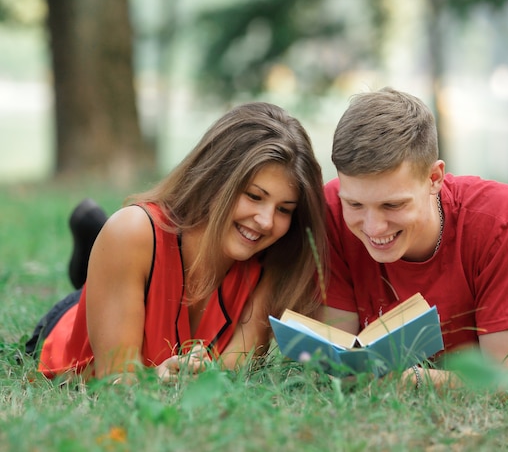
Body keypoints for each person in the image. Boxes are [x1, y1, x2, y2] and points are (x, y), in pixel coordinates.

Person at [26, 102, 328, 384]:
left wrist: (200, 377)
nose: (266, 221)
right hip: (70, 332)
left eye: (284, 209)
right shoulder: (132, 232)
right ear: (216, 180)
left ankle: (94, 248)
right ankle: (96, 251)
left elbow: (234, 377)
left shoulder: (272, 260)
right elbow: (116, 380)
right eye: (254, 196)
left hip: (134, 265)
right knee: (122, 242)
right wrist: (156, 379)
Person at [319, 87, 508, 390]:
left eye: (392, 205)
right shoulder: (332, 208)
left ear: (434, 179)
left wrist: (403, 379)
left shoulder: (504, 220)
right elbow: (338, 350)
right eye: (355, 204)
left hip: (507, 344)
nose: (374, 227)